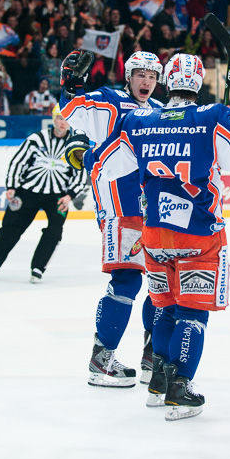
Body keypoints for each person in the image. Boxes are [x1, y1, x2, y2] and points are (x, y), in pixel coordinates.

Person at [81, 52, 230, 421]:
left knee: (166, 307)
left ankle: (158, 387)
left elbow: (102, 164)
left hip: (153, 236)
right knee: (192, 313)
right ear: (198, 82)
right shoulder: (213, 116)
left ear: (166, 80)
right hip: (199, 234)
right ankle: (179, 388)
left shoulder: (139, 118)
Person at [60, 50, 164, 388]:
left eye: (152, 75)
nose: (146, 80)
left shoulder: (163, 113)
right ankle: (101, 358)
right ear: (129, 76)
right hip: (120, 209)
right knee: (127, 281)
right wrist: (70, 85)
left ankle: (153, 355)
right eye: (140, 74)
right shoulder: (111, 101)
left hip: (157, 212)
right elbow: (73, 111)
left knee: (160, 285)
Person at [0, 105, 84, 283]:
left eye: (67, 118)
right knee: (10, 228)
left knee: (55, 231)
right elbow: (17, 162)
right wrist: (11, 186)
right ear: (53, 119)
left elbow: (80, 172)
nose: (63, 122)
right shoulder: (37, 139)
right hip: (28, 192)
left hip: (57, 196)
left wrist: (69, 196)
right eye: (59, 118)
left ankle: (38, 267)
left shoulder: (74, 145)